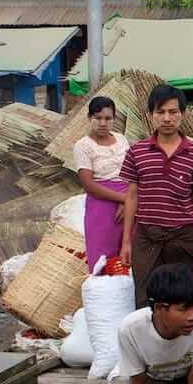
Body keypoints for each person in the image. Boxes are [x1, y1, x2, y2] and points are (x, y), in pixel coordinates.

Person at [120, 84, 193, 308]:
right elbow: (132, 197)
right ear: (150, 115)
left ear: (182, 113)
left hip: (182, 238)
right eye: (160, 112)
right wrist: (126, 242)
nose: (167, 118)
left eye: (173, 112)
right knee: (145, 299)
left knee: (182, 297)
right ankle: (148, 342)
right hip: (146, 237)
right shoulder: (137, 151)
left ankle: (181, 343)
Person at [73, 96, 129, 271]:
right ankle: (103, 294)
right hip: (102, 205)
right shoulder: (83, 146)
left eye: (108, 118)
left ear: (114, 119)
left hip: (129, 200)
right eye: (98, 118)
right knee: (102, 257)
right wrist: (125, 199)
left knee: (129, 253)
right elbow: (88, 185)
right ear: (89, 118)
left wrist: (129, 200)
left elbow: (132, 172)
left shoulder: (121, 140)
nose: (103, 123)